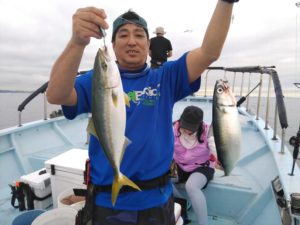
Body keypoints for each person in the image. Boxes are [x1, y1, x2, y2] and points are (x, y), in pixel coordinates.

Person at [46, 1, 238, 224]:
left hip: (156, 200)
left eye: (139, 35)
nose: (131, 41)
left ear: (148, 45)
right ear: (114, 45)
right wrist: (77, 42)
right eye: (123, 35)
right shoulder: (97, 80)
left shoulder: (166, 77)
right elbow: (56, 95)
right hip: (107, 202)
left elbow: (209, 52)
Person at [171, 106, 218, 225]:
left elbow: (216, 149)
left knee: (191, 186)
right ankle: (182, 202)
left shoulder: (208, 132)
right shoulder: (172, 128)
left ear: (199, 124)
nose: (186, 130)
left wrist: (217, 155)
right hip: (179, 166)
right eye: (184, 126)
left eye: (191, 128)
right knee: (160, 178)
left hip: (202, 167)